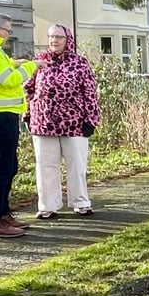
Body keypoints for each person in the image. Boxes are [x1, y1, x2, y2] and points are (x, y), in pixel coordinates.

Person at [25, 24, 100, 219]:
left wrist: (91, 120)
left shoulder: (80, 63)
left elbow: (90, 93)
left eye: (58, 37)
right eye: (51, 37)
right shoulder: (39, 63)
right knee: (45, 166)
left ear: (68, 40)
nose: (54, 40)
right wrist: (27, 115)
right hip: (43, 122)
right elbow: (29, 90)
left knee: (76, 164)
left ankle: (81, 203)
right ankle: (48, 206)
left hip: (74, 123)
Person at [0, 13, 47, 235]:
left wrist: (17, 62)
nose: (9, 34)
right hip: (2, 117)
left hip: (8, 116)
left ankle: (3, 212)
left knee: (10, 167)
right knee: (3, 168)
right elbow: (7, 79)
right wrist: (32, 66)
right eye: (7, 30)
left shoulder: (1, 53)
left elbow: (5, 68)